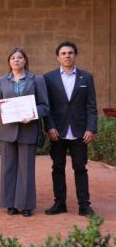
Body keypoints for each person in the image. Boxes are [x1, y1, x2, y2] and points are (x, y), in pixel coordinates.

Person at [44, 41, 97, 217]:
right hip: (57, 132)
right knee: (57, 168)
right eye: (64, 53)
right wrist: (50, 126)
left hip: (80, 131)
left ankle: (84, 205)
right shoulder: (49, 78)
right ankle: (60, 203)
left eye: (70, 53)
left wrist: (91, 128)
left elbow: (91, 106)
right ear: (57, 57)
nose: (67, 56)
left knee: (80, 168)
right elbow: (47, 106)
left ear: (75, 55)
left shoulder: (86, 77)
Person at [0, 48, 49, 217]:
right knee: (8, 168)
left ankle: (25, 204)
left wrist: (32, 114)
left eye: (20, 57)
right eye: (13, 58)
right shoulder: (2, 80)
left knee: (26, 169)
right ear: (9, 61)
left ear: (25, 60)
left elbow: (45, 106)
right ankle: (10, 203)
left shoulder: (37, 80)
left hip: (28, 129)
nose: (16, 60)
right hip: (7, 130)